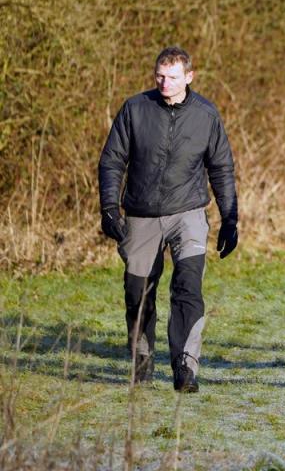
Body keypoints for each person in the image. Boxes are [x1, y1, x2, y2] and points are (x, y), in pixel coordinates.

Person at [98, 46, 238, 393]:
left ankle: (185, 367)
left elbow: (221, 168)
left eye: (172, 77)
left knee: (188, 289)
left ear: (189, 77)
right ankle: (142, 357)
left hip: (188, 212)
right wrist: (109, 209)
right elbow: (112, 161)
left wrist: (230, 217)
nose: (164, 82)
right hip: (141, 215)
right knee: (138, 293)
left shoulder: (206, 114)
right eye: (159, 76)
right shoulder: (135, 109)